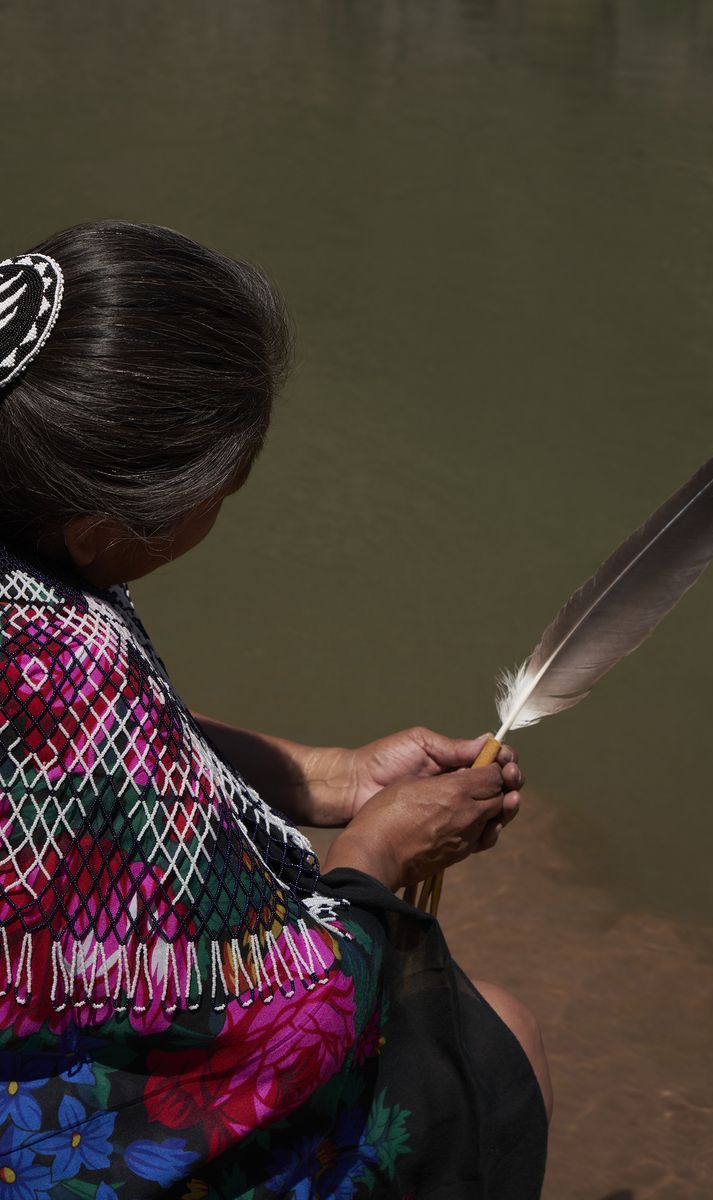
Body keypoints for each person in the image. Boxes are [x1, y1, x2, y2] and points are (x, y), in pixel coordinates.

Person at [0, 220, 551, 1199]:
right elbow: (284, 1019)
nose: (226, 502)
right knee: (492, 1056)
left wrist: (331, 776)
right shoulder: (73, 671)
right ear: (97, 531)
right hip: (62, 1137)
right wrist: (376, 854)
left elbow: (114, 758)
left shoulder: (37, 596)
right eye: (222, 486)